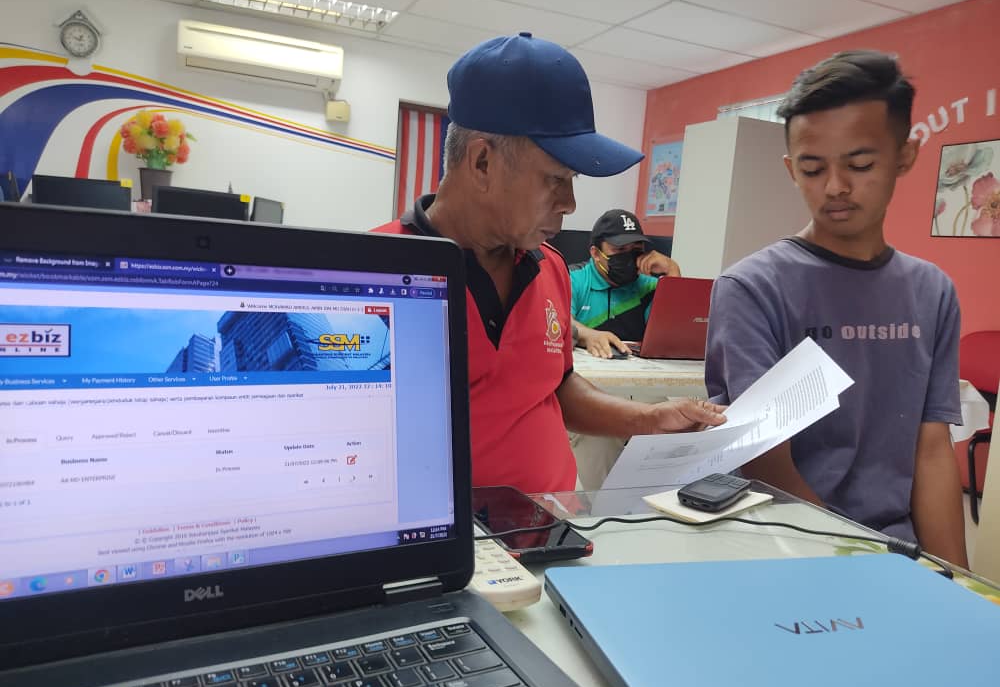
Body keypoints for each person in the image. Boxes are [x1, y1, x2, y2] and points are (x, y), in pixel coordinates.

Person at [375, 32, 725, 494]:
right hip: (444, 531)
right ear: (482, 163)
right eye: (556, 178)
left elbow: (556, 385)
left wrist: (650, 418)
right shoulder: (370, 269)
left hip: (553, 519)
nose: (570, 203)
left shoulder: (549, 267)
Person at [705, 50, 968, 567]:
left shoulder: (932, 291)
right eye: (812, 168)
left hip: (891, 550)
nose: (835, 187)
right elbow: (766, 462)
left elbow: (932, 449)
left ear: (905, 156)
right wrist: (851, 563)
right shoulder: (753, 288)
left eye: (860, 165)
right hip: (780, 546)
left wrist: (956, 579)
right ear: (790, 168)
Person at [570, 209, 680, 358]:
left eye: (636, 249)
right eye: (620, 249)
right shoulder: (571, 278)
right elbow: (560, 321)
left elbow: (673, 335)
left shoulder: (651, 287)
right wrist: (589, 335)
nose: (628, 256)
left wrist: (672, 272)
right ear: (596, 253)